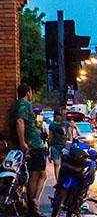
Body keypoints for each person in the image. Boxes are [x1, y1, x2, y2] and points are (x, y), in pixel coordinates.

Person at [11, 84, 47, 217]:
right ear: (27, 93)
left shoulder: (20, 105)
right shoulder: (24, 104)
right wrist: (23, 143)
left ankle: (34, 201)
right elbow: (19, 122)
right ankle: (32, 204)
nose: (31, 95)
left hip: (36, 144)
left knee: (41, 174)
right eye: (31, 93)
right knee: (35, 174)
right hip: (34, 146)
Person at [48, 110, 67, 182]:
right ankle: (58, 180)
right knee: (56, 163)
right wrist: (49, 147)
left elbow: (69, 135)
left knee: (64, 163)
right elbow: (50, 136)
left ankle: (63, 179)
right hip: (54, 145)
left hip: (63, 145)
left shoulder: (65, 124)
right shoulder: (52, 125)